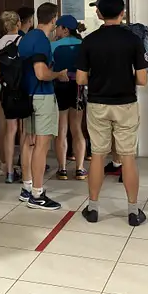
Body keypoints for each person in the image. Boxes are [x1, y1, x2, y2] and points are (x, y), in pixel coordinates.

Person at [77, 0, 148, 226]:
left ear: (99, 14)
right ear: (122, 13)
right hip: (126, 104)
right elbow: (142, 79)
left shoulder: (89, 41)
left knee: (98, 154)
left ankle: (93, 208)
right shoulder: (133, 40)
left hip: (97, 103)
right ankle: (133, 211)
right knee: (127, 156)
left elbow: (81, 79)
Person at [18, 2, 67, 209]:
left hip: (26, 96)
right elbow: (41, 73)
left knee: (28, 141)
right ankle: (37, 194)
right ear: (54, 19)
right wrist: (58, 74)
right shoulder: (42, 41)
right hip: (42, 95)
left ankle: (27, 187)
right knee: (41, 144)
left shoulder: (26, 38)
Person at [51, 15, 87, 181]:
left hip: (60, 87)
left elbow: (50, 67)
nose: (56, 30)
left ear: (65, 29)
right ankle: (79, 168)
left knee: (61, 129)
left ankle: (62, 169)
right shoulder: (84, 45)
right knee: (77, 128)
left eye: (58, 27)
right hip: (77, 88)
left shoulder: (53, 45)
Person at [0, 11, 22, 181]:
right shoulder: (23, 41)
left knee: (5, 126)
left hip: (4, 89)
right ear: (18, 23)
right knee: (23, 130)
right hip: (21, 89)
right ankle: (24, 165)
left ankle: (6, 164)